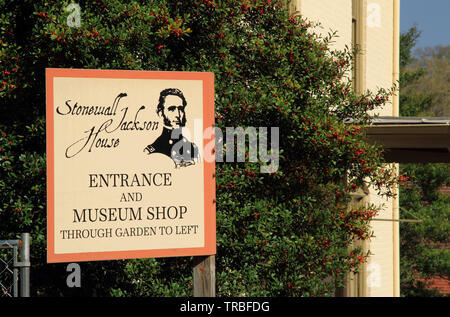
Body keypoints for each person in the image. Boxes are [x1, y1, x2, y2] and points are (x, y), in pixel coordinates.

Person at [144, 88, 200, 167]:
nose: (178, 114)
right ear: (160, 113)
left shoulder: (192, 148)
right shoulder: (153, 151)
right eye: (171, 109)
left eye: (181, 109)